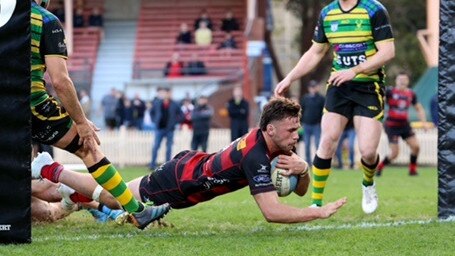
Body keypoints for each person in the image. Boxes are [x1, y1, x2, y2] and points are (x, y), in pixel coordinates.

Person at [32, 98, 347, 224]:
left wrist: (304, 170)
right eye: (292, 130)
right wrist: (315, 213)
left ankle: (74, 196)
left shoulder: (275, 145)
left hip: (189, 170)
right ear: (270, 129)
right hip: (180, 180)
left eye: (297, 129)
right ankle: (49, 168)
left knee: (119, 201)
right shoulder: (256, 156)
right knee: (117, 199)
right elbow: (272, 212)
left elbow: (300, 188)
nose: (297, 136)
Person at [30, 0, 170, 229]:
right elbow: (60, 81)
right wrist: (81, 121)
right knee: (88, 146)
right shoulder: (45, 20)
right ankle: (133, 210)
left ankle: (63, 185)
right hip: (32, 106)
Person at [274, 0, 395, 214]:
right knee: (327, 140)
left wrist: (355, 71)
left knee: (367, 152)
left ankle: (368, 183)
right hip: (338, 87)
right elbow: (316, 52)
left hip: (369, 87)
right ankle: (316, 202)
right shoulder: (327, 13)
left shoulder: (374, 10)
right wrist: (290, 78)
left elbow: (387, 52)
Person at [376, 72, 429, 176]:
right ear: (396, 81)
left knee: (416, 147)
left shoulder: (411, 94)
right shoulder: (390, 91)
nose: (402, 81)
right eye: (400, 79)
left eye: (404, 79)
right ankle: (380, 167)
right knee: (395, 154)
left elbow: (419, 108)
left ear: (408, 81)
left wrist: (424, 123)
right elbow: (379, 101)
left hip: (404, 125)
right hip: (391, 126)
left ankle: (412, 170)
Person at [149, 87, 183, 169]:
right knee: (156, 146)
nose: (167, 95)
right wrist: (155, 120)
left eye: (169, 93)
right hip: (159, 129)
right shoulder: (157, 103)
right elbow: (151, 112)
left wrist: (174, 122)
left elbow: (181, 115)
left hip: (169, 130)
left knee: (169, 148)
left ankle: (167, 166)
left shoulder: (175, 104)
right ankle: (152, 164)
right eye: (166, 93)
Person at [299, 81, 325, 166]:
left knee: (318, 144)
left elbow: (323, 112)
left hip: (316, 125)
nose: (313, 89)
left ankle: (318, 162)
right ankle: (308, 161)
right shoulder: (305, 98)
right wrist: (301, 122)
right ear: (309, 88)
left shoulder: (321, 99)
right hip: (306, 125)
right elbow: (301, 110)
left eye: (314, 87)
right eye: (311, 87)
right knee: (307, 144)